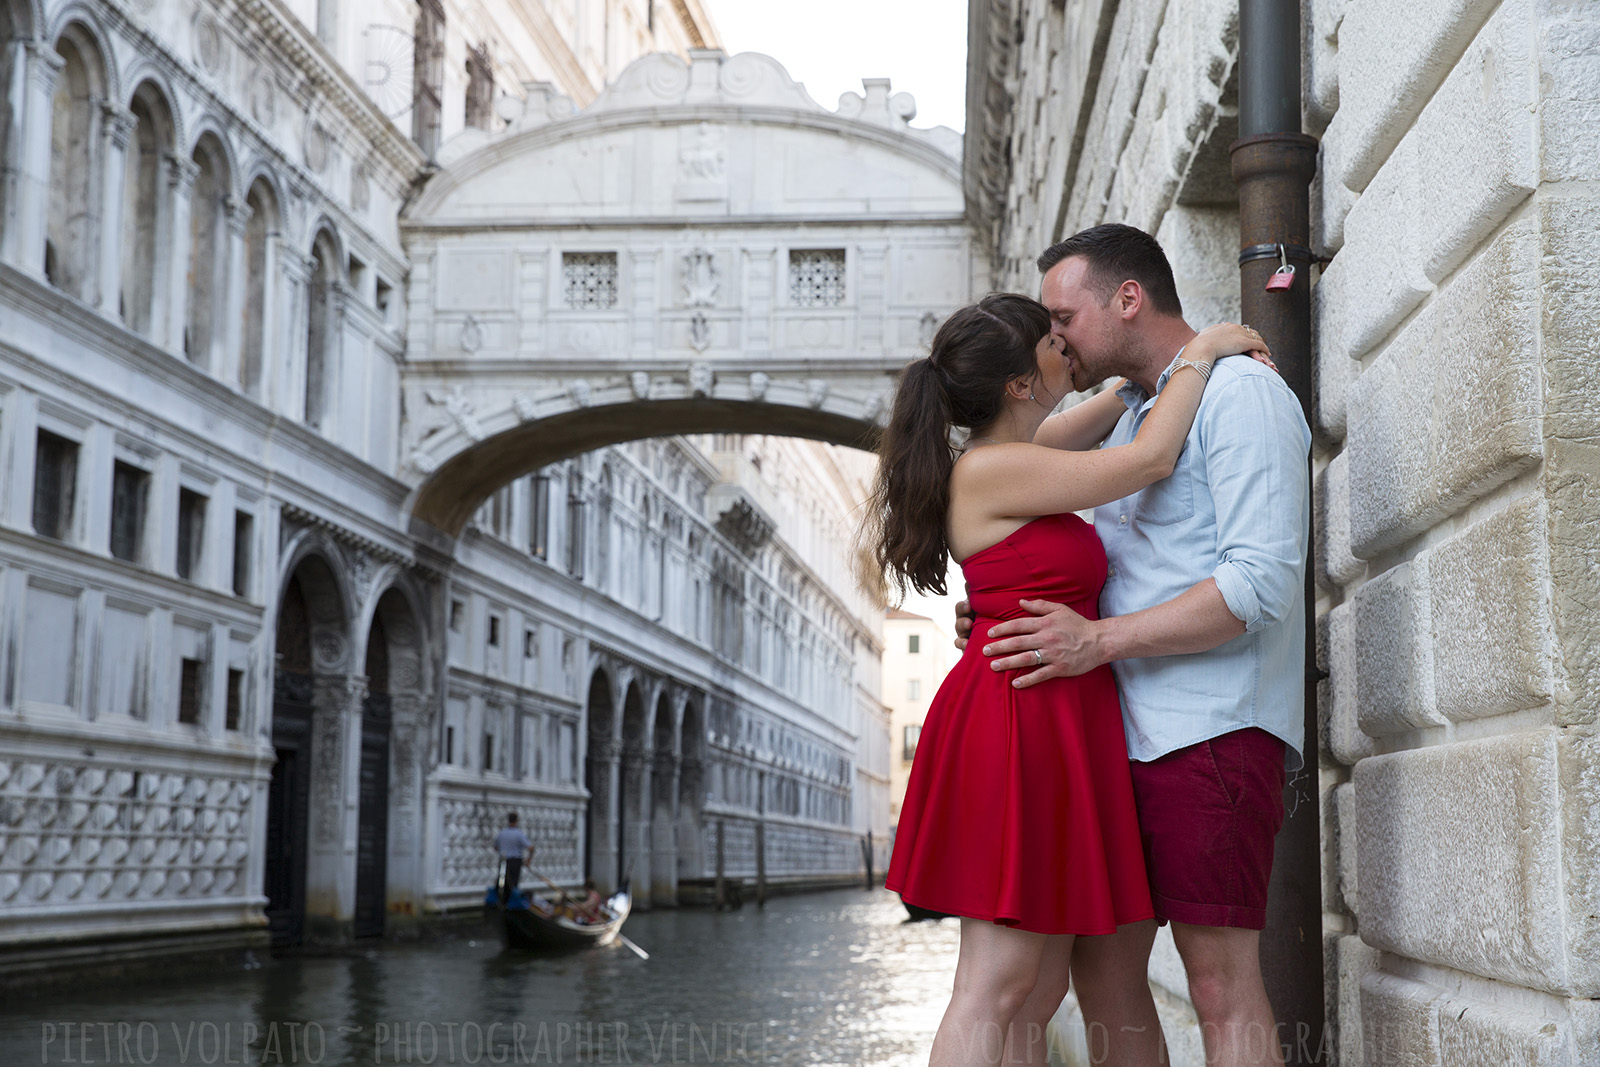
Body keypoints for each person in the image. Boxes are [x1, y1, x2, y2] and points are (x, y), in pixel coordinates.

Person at [866, 290, 1267, 1067]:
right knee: (1000, 978)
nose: (1068, 350)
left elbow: (1119, 402)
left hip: (1051, 715)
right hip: (1018, 719)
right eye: (1054, 342)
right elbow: (1148, 458)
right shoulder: (995, 467)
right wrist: (1204, 350)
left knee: (1040, 984)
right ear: (1022, 380)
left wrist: (1146, 369)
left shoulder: (1028, 446)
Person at [963, 223, 1311, 1067]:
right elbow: (1017, 464)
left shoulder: (1242, 395)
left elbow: (1258, 584)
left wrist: (1096, 640)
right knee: (1102, 976)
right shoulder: (1130, 417)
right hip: (1117, 739)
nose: (1055, 339)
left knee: (1221, 983)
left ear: (1127, 299)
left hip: (1213, 732)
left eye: (1063, 316)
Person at [492, 812, 534, 905]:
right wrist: (528, 860)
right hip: (515, 862)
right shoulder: (518, 834)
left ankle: (502, 902)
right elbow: (531, 848)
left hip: (503, 861)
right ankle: (511, 903)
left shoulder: (501, 833)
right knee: (513, 883)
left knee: (502, 883)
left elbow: (495, 847)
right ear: (517, 821)